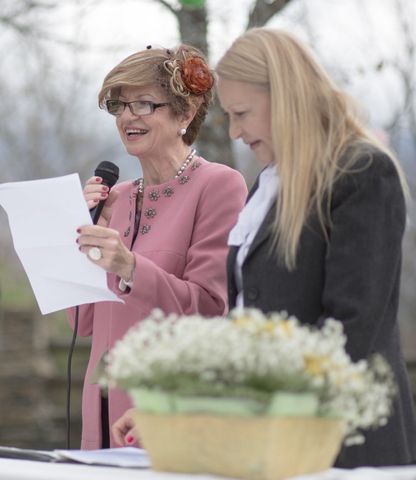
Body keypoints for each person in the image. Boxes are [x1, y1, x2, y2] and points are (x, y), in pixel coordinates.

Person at [113, 28, 416, 468]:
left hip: (342, 447)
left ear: (286, 97)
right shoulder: (269, 186)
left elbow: (350, 333)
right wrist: (177, 406)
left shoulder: (363, 174)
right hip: (267, 447)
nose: (235, 132)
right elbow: (247, 330)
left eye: (242, 113)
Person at [73, 44, 248, 449]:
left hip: (168, 411)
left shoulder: (219, 185)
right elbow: (82, 324)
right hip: (99, 410)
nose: (127, 116)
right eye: (120, 105)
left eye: (144, 103)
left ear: (185, 115)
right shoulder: (114, 198)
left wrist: (130, 267)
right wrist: (78, 234)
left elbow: (210, 308)